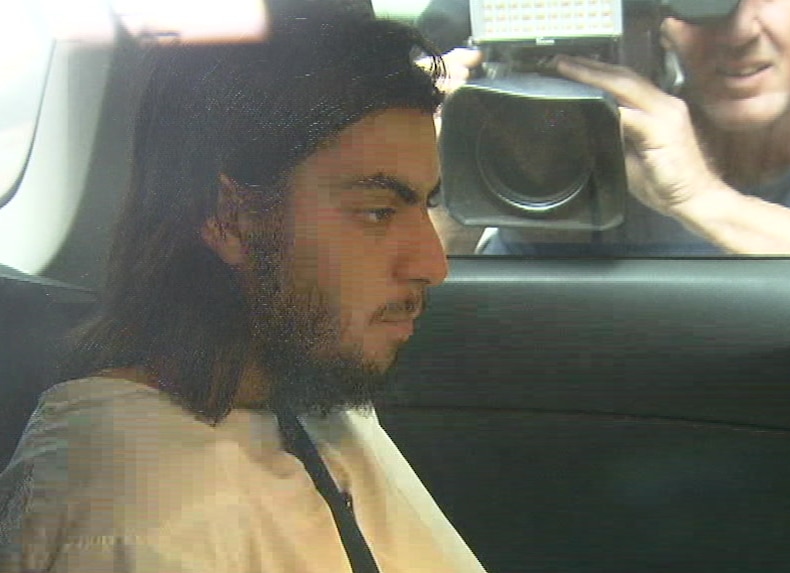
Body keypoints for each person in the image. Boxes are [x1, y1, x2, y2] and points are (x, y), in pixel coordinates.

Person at [0, 4, 487, 572]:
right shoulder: (133, 521)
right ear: (227, 217)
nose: (433, 264)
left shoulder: (303, 404)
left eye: (426, 204)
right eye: (378, 212)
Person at [423, 0, 790, 256]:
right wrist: (434, 191)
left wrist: (710, 205)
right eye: (702, 3)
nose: (739, 32)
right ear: (654, 22)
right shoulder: (601, 143)